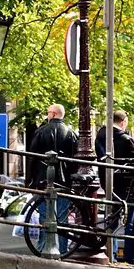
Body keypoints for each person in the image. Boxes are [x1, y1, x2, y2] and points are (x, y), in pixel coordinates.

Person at [27, 104, 78, 255]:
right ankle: (62, 251)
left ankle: (44, 249)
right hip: (64, 182)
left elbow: (32, 158)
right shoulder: (71, 133)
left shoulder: (41, 132)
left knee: (45, 216)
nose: (47, 115)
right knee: (62, 218)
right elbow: (76, 160)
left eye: (48, 113)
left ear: (53, 114)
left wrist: (30, 180)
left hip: (43, 181)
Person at [95, 110, 134, 263]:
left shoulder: (100, 136)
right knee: (131, 222)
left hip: (107, 182)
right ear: (123, 122)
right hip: (128, 187)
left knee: (112, 218)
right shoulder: (126, 139)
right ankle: (130, 257)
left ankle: (110, 253)